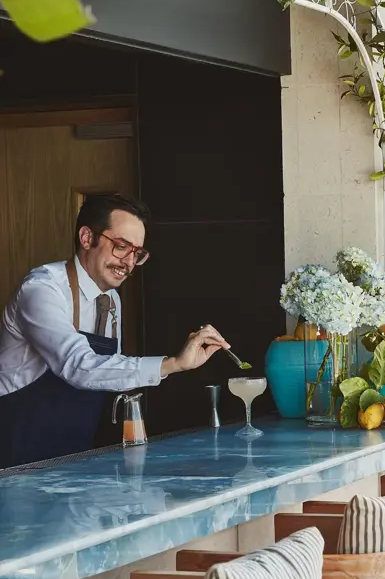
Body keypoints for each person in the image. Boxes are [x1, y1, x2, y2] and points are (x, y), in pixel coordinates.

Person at [0, 193, 230, 469]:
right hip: (16, 464)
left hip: (73, 462)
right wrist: (173, 364)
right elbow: (78, 366)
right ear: (87, 238)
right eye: (121, 246)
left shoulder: (110, 301)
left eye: (137, 253)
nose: (129, 263)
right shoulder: (41, 289)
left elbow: (106, 374)